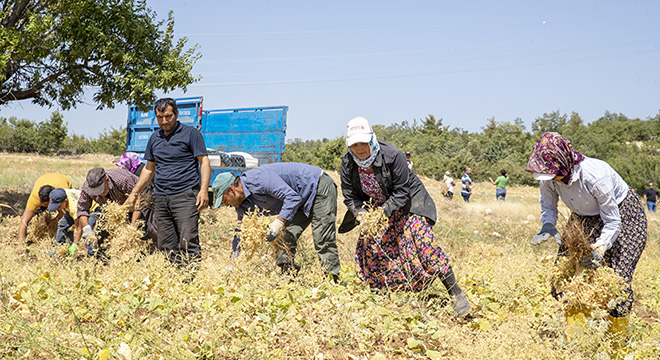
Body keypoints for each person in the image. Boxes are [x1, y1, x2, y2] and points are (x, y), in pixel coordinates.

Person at [338, 116, 471, 317]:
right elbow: (350, 196)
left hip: (409, 203)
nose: (360, 148)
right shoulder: (348, 163)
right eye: (354, 145)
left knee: (423, 243)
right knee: (372, 246)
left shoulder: (393, 156)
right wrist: (362, 215)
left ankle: (456, 294)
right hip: (378, 208)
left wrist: (384, 213)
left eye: (363, 143)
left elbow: (401, 192)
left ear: (371, 139)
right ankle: (379, 296)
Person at [526, 132, 647, 335]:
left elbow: (612, 220)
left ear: (563, 162)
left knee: (617, 283)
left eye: (552, 173)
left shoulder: (595, 175)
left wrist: (600, 248)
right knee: (564, 278)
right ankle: (578, 339)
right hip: (583, 218)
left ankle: (616, 344)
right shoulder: (549, 175)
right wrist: (548, 224)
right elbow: (548, 204)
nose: (549, 178)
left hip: (622, 216)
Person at [213, 163, 341, 280]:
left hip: (317, 186)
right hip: (299, 199)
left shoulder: (258, 179)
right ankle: (288, 278)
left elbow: (291, 197)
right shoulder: (242, 205)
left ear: (231, 190)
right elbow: (240, 234)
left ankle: (332, 282)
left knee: (322, 238)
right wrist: (233, 262)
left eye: (225, 200)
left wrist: (277, 223)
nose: (227, 205)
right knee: (283, 238)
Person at [125, 97, 211, 268]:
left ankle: (191, 280)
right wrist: (134, 194)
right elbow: (149, 168)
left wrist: (204, 190)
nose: (164, 121)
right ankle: (174, 278)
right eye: (160, 117)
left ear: (176, 114)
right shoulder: (154, 138)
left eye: (168, 116)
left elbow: (204, 162)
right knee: (166, 242)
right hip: (161, 197)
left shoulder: (190, 134)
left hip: (185, 195)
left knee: (188, 240)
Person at [78, 168, 153, 257]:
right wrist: (87, 228)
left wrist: (131, 229)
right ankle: (104, 257)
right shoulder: (87, 188)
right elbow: (82, 209)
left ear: (106, 180)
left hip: (137, 201)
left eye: (101, 190)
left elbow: (138, 204)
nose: (99, 194)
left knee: (138, 231)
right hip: (110, 208)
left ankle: (138, 256)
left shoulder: (123, 179)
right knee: (102, 231)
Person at [18, 173, 72, 244]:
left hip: (63, 180)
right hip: (43, 179)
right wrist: (20, 244)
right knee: (34, 213)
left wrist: (53, 222)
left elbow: (63, 211)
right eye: (43, 204)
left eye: (47, 205)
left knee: (68, 216)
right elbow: (24, 221)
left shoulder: (62, 193)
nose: (46, 207)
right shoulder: (35, 198)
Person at [48, 187, 99, 254]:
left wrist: (75, 245)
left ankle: (92, 255)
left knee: (88, 230)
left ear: (65, 201)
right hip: (81, 206)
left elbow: (80, 229)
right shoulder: (62, 193)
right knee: (62, 224)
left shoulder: (73, 208)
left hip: (93, 208)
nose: (57, 209)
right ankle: (58, 248)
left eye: (58, 206)